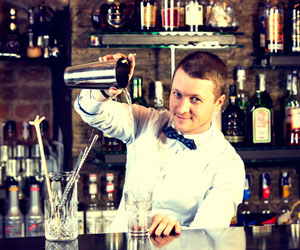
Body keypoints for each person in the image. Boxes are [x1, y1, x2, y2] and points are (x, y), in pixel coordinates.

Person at [74, 51, 245, 236]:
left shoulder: (228, 164)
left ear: (218, 102)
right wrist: (105, 88)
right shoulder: (146, 121)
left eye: (195, 99)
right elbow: (89, 112)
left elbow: (209, 234)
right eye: (177, 94)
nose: (181, 108)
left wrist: (174, 230)